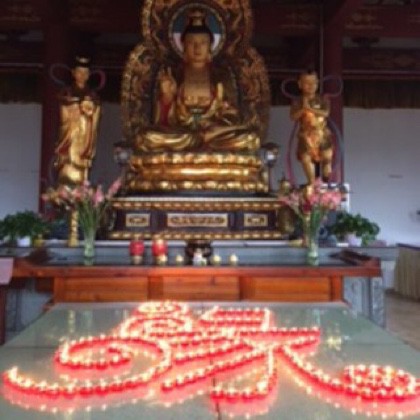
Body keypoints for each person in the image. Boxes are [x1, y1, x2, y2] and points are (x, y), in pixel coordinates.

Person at [134, 9, 260, 153]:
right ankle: (198, 142)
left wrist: (215, 126)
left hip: (212, 134)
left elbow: (231, 114)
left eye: (203, 42)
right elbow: (162, 122)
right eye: (191, 42)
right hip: (182, 135)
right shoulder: (174, 74)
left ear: (210, 47)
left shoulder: (221, 76)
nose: (197, 47)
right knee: (145, 137)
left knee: (250, 138)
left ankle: (201, 141)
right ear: (183, 48)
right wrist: (167, 97)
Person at [54, 56, 101, 185]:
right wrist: (74, 107)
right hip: (71, 133)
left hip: (85, 133)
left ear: (89, 75)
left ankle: (82, 184)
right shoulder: (67, 92)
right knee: (69, 158)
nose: (82, 75)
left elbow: (96, 112)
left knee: (81, 160)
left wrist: (90, 110)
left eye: (85, 73)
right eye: (79, 72)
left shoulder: (92, 95)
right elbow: (63, 111)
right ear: (73, 73)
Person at [290, 71, 333, 185]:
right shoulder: (298, 101)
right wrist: (303, 109)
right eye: (307, 83)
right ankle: (312, 182)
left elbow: (326, 113)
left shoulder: (322, 99)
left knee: (327, 156)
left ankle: (326, 170)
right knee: (305, 159)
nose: (311, 86)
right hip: (305, 135)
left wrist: (310, 109)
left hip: (321, 133)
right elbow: (293, 117)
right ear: (300, 84)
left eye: (314, 83)